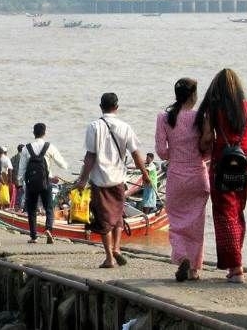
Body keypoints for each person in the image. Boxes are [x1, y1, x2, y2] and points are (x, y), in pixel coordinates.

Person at [194, 68, 247, 283]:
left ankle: (236, 267)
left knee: (225, 216)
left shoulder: (214, 110)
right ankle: (236, 264)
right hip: (245, 170)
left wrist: (202, 143)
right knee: (237, 214)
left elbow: (206, 140)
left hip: (220, 168)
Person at [76, 93, 151, 268]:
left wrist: (82, 180)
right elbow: (136, 154)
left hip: (99, 180)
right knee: (118, 216)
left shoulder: (93, 127)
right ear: (117, 107)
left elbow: (90, 156)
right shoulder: (125, 127)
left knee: (103, 220)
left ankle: (109, 257)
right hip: (119, 179)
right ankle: (117, 247)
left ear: (100, 106)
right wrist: (145, 175)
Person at [155, 78, 210, 282]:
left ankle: (182, 257)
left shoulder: (164, 117)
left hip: (177, 177)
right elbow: (207, 149)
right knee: (197, 225)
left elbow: (161, 152)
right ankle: (195, 269)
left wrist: (176, 154)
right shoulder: (201, 117)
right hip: (198, 176)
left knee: (177, 223)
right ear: (194, 96)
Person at [17, 122, 69, 244]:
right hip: (46, 182)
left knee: (32, 209)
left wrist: (20, 183)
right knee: (49, 208)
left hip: (31, 184)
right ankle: (48, 229)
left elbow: (22, 168)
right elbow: (62, 164)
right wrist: (66, 167)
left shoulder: (26, 148)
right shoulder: (49, 147)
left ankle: (33, 236)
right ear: (45, 132)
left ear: (33, 133)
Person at [10, 144, 24, 210]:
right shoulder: (24, 158)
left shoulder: (13, 158)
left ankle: (15, 205)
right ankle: (19, 206)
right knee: (21, 192)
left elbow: (10, 169)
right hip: (21, 179)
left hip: (14, 178)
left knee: (16, 192)